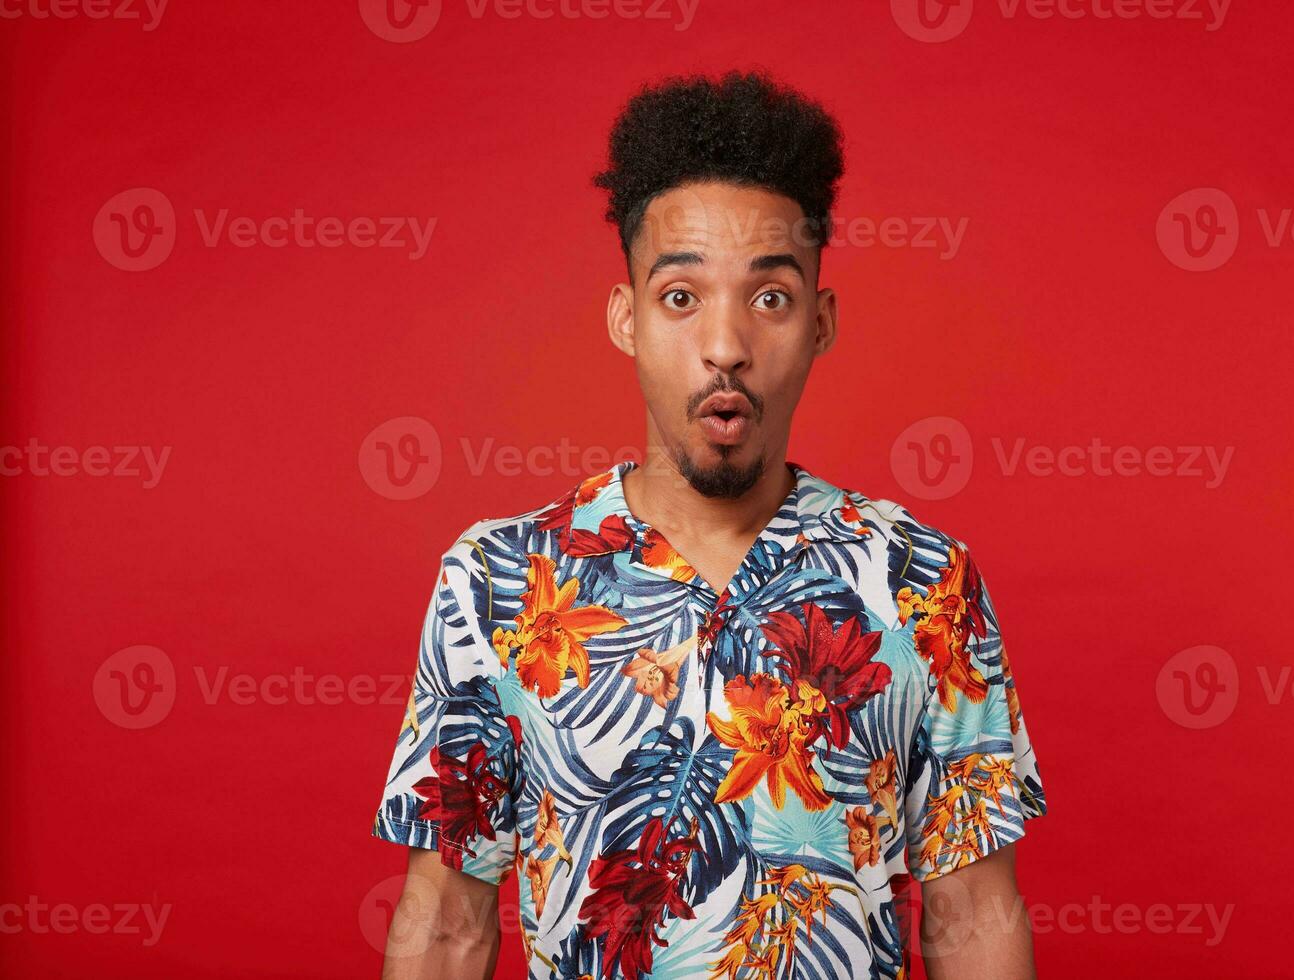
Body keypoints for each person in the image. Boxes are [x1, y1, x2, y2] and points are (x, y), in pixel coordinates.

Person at [370, 69, 1047, 980]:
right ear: (627, 319)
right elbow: (448, 922)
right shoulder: (497, 582)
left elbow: (971, 919)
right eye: (681, 296)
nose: (725, 345)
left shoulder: (923, 582)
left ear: (821, 322)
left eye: (770, 298)